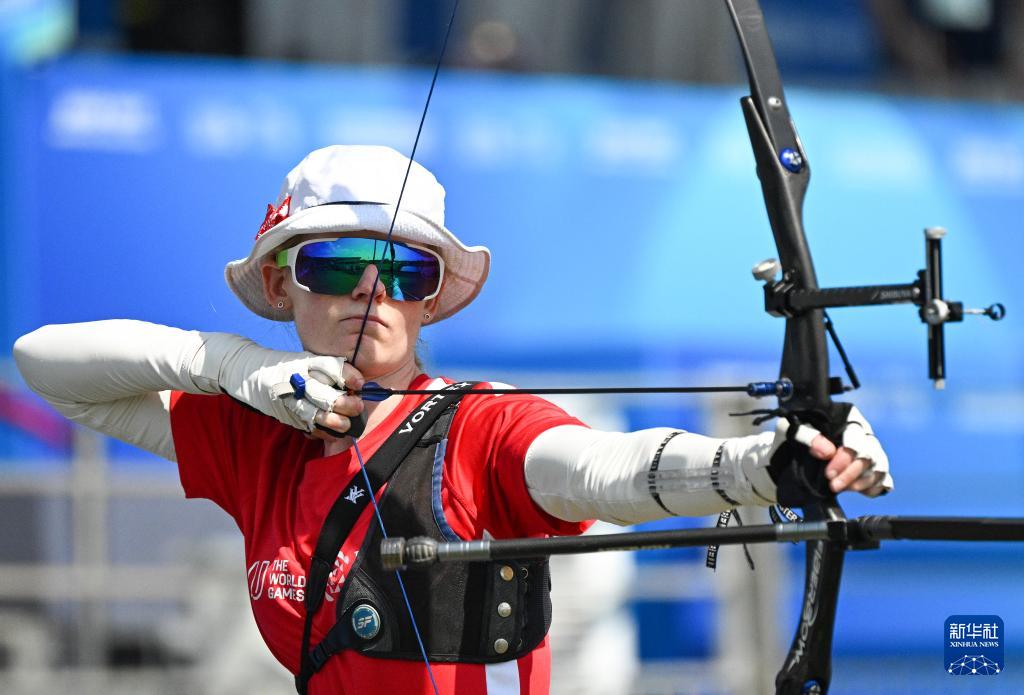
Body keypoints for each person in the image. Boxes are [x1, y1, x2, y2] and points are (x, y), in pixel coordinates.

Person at [13, 145, 892, 695]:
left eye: (403, 270)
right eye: (335, 261)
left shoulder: (481, 425)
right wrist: (238, 368)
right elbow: (46, 362)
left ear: (430, 301)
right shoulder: (255, 431)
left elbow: (598, 470)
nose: (370, 289)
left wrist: (759, 463)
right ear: (280, 286)